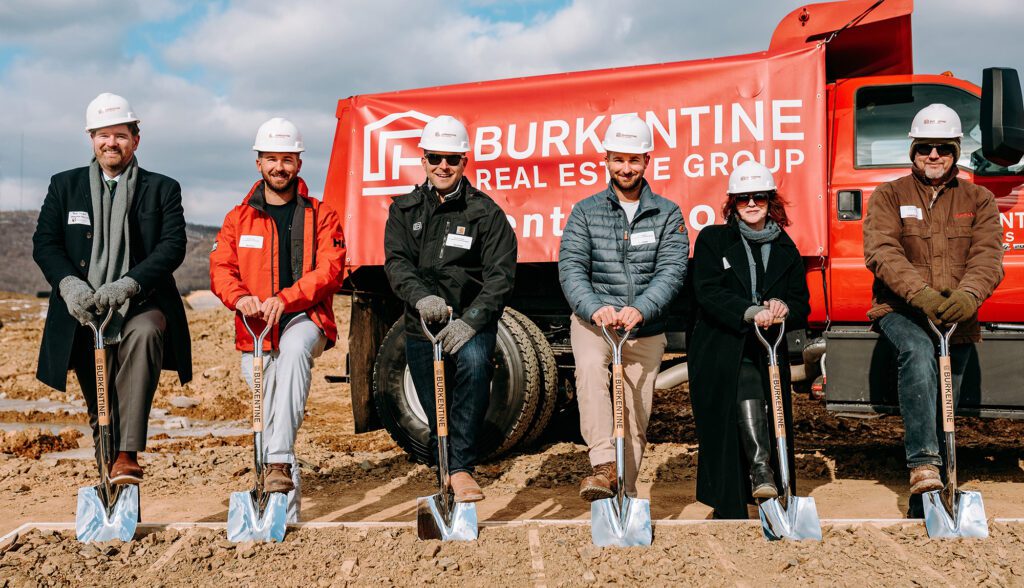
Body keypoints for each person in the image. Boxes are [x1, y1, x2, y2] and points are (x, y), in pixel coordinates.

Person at [32, 92, 192, 484]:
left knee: (146, 332)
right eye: (103, 135)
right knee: (99, 404)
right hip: (82, 310)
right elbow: (45, 243)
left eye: (120, 135)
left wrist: (128, 284)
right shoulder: (64, 186)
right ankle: (112, 481)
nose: (111, 143)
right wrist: (69, 284)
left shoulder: (162, 189)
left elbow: (172, 246)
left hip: (141, 302)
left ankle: (126, 455)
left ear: (135, 140)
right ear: (91, 138)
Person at [863, 103, 1003, 500]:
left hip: (957, 314)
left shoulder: (979, 199)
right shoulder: (889, 196)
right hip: (901, 309)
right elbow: (882, 251)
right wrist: (921, 294)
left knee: (947, 397)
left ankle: (934, 496)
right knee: (919, 352)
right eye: (925, 148)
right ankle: (923, 464)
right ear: (913, 151)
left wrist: (969, 296)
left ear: (956, 151)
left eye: (942, 148)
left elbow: (988, 256)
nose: (934, 156)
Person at [210, 117, 346, 521]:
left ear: (299, 163)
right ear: (258, 163)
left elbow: (330, 270)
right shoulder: (238, 218)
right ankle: (280, 492)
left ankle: (280, 463)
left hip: (306, 317)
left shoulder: (321, 215)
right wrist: (241, 299)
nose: (279, 167)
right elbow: (221, 268)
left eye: (287, 159)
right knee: (267, 403)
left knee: (292, 351)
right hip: (255, 328)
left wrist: (285, 300)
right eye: (271, 159)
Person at [383, 115, 517, 503]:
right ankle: (446, 463)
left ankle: (459, 469)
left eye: (453, 159)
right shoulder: (404, 211)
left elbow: (501, 276)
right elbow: (397, 263)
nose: (444, 165)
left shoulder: (485, 213)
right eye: (436, 157)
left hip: (470, 322)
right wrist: (421, 298)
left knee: (474, 368)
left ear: (465, 163)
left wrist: (472, 322)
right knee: (433, 400)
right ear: (424, 160)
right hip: (421, 324)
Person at [558, 114, 688, 501]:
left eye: (633, 160)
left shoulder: (668, 213)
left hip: (643, 329)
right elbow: (572, 267)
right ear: (607, 160)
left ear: (647, 161)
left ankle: (623, 494)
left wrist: (642, 308)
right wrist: (594, 307)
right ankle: (602, 465)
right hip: (594, 324)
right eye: (618, 159)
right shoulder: (585, 211)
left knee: (634, 417)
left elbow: (672, 269)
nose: (625, 168)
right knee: (590, 376)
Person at [688, 160, 810, 519]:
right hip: (720, 345)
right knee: (738, 395)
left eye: (759, 197)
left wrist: (783, 307)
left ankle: (769, 480)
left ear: (771, 201)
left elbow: (802, 303)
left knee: (770, 405)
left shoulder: (786, 248)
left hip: (767, 348)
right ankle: (757, 472)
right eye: (743, 199)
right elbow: (706, 291)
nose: (751, 204)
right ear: (733, 204)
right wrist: (749, 310)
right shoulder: (713, 239)